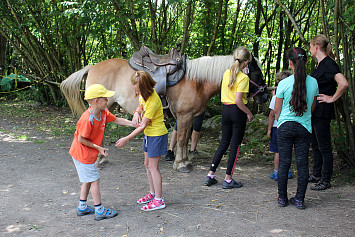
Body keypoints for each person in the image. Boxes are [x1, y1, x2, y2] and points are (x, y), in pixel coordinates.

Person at [70, 84, 134, 221]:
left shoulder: (103, 113)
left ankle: (82, 207)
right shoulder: (87, 119)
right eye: (105, 98)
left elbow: (117, 120)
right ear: (96, 101)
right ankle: (99, 210)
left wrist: (134, 124)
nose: (107, 101)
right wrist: (98, 148)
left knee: (87, 180)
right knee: (94, 180)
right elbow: (81, 139)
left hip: (86, 153)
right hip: (82, 154)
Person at [115, 71, 168, 211]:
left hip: (156, 135)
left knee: (153, 167)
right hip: (148, 135)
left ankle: (159, 200)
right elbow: (140, 106)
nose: (136, 92)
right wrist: (136, 112)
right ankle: (152, 193)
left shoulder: (153, 100)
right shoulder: (144, 96)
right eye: (135, 89)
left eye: (138, 89)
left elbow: (143, 125)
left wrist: (126, 139)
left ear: (145, 87)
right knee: (147, 164)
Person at [204, 46, 253, 189]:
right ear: (246, 62)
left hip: (225, 110)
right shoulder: (244, 78)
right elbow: (238, 100)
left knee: (223, 143)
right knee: (235, 146)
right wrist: (248, 113)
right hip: (237, 112)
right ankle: (228, 179)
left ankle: (210, 175)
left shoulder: (226, 73)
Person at [275, 47, 319, 210]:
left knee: (284, 163)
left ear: (290, 62)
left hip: (285, 126)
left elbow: (277, 110)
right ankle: (299, 199)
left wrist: (282, 121)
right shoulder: (314, 82)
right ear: (306, 62)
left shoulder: (284, 83)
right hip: (304, 127)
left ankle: (282, 198)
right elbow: (312, 107)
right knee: (302, 163)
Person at [308, 35, 349, 191]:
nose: (310, 50)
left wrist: (332, 98)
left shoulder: (329, 64)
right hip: (314, 111)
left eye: (311, 46)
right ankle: (316, 174)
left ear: (316, 46)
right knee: (316, 144)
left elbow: (343, 83)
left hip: (323, 111)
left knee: (324, 146)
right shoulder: (319, 65)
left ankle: (326, 179)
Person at [268, 71, 293, 181]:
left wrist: (269, 129)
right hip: (289, 125)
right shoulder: (293, 96)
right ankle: (287, 171)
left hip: (277, 127)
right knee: (287, 149)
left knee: (277, 151)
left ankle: (277, 172)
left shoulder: (276, 97)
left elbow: (272, 114)